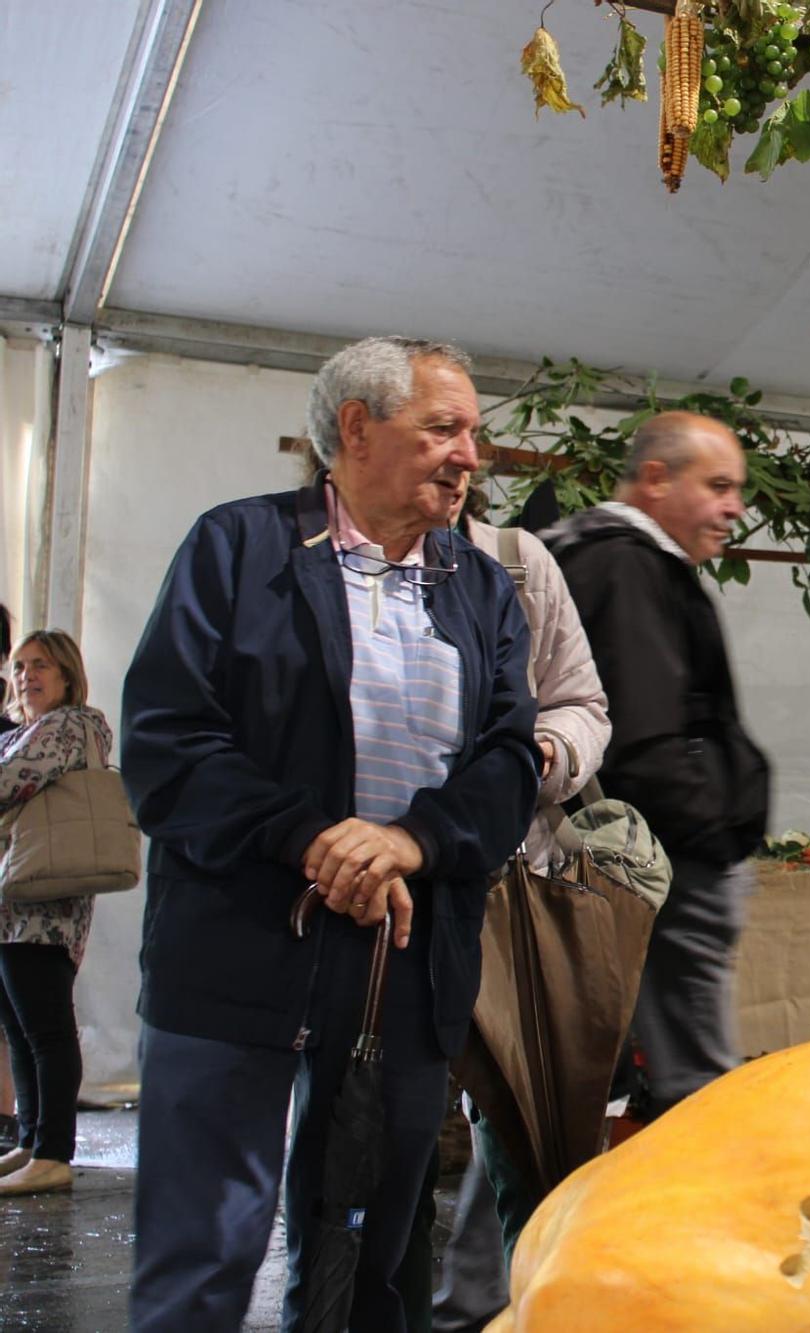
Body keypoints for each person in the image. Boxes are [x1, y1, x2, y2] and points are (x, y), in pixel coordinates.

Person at [121, 336, 539, 1332]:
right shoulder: (239, 548)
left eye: (472, 432)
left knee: (372, 1250)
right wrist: (313, 839)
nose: (468, 454)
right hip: (236, 948)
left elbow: (510, 760)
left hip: (405, 957)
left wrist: (412, 842)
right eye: (442, 428)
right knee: (202, 1251)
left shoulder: (479, 589)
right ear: (355, 428)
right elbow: (166, 744)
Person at [543, 411, 770, 1122]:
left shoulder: (607, 559)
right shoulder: (624, 565)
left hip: (644, 867)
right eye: (719, 486)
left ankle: (519, 1235)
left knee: (564, 1093)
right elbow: (640, 738)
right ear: (654, 479)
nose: (735, 507)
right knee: (694, 1101)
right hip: (664, 871)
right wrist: (713, 840)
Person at [425, 484, 611, 1333]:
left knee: (520, 1140)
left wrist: (540, 754)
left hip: (509, 893)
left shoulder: (516, 562)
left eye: (465, 436)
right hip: (380, 898)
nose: (455, 455)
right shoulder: (314, 566)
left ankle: (522, 1310)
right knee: (364, 1158)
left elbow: (582, 703)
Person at [0, 630, 113, 1197]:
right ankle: (32, 1138)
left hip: (44, 903)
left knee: (45, 1028)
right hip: (13, 902)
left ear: (66, 674)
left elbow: (13, 780)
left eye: (40, 665)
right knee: (20, 1028)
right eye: (20, 667)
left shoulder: (71, 724)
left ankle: (54, 1153)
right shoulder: (26, 730)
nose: (27, 676)